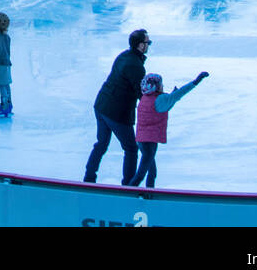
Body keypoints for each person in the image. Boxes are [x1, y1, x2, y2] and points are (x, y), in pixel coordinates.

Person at [83, 29, 150, 186]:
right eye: (148, 43)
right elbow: (141, 92)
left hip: (101, 104)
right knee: (131, 148)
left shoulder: (124, 56)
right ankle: (128, 185)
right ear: (141, 45)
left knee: (101, 143)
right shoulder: (135, 65)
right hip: (116, 112)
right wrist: (158, 101)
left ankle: (89, 178)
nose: (149, 45)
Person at [130, 69, 209, 189]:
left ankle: (148, 194)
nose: (162, 86)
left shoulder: (145, 98)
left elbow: (163, 107)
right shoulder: (160, 99)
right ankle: (129, 193)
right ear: (156, 86)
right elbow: (179, 94)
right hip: (150, 142)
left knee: (151, 171)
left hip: (141, 139)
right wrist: (196, 82)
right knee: (142, 173)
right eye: (161, 84)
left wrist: (171, 98)